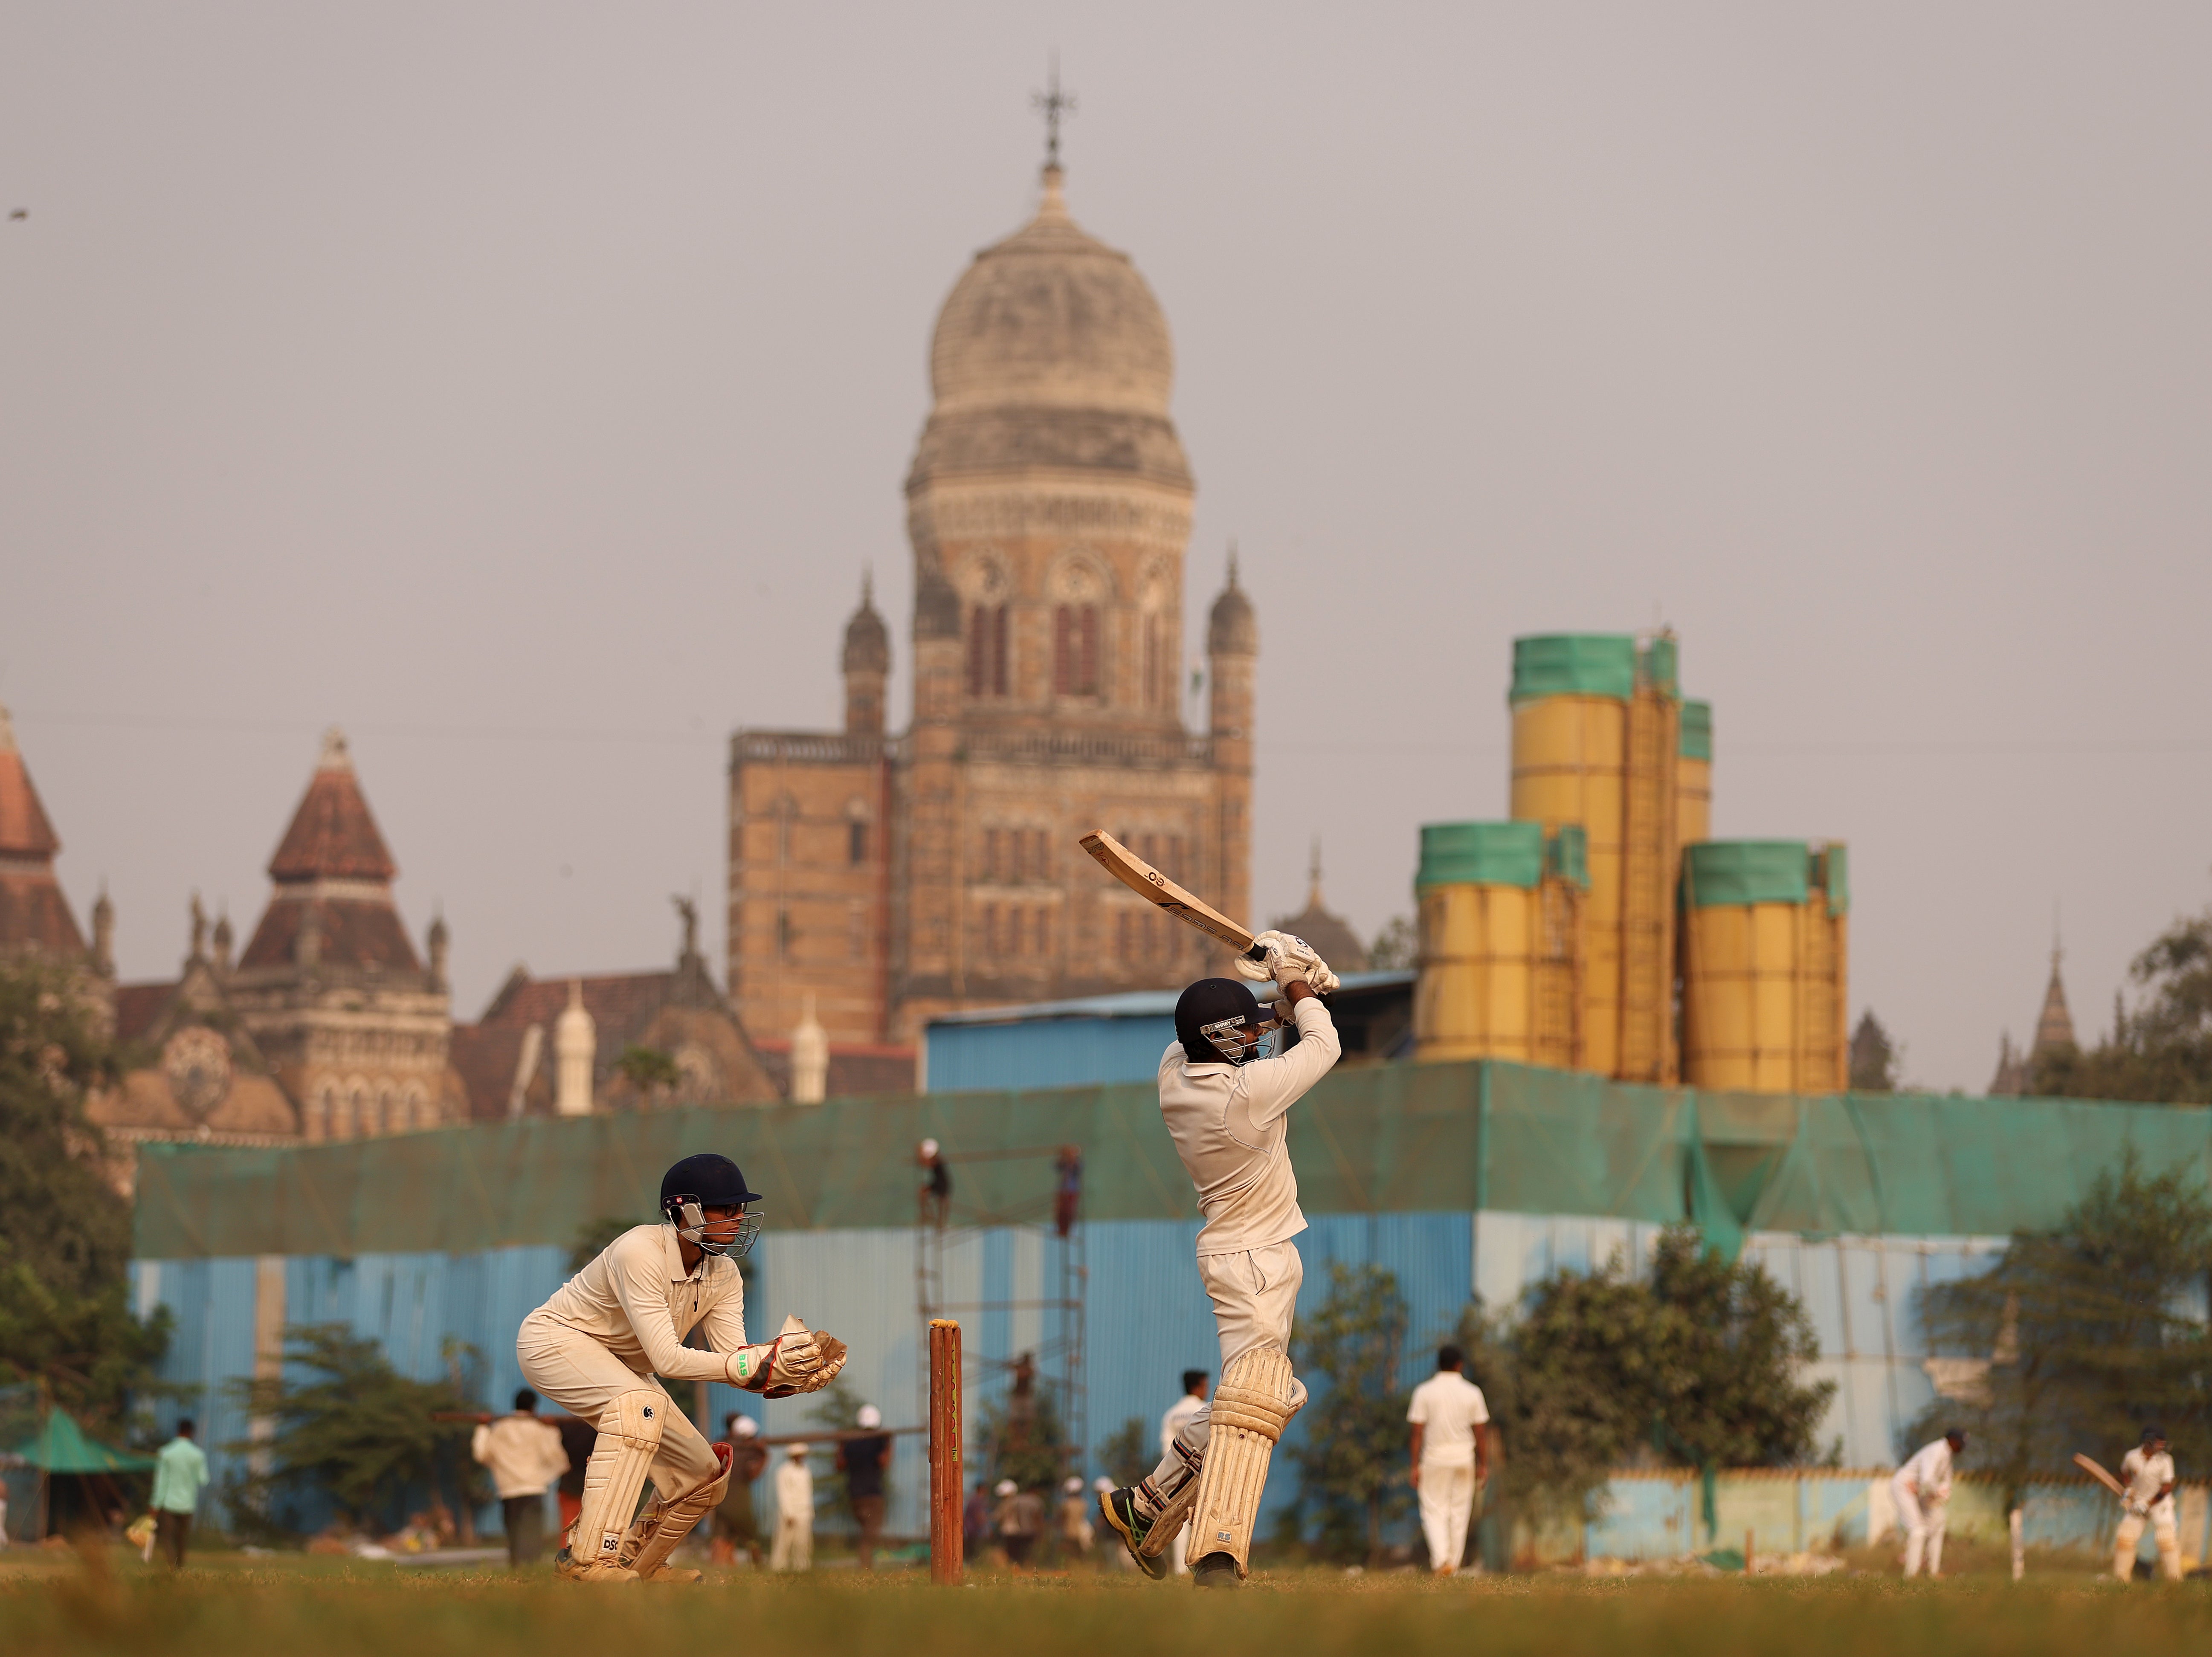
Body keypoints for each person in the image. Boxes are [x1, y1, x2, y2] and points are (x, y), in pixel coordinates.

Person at [1099, 935, 1342, 1588]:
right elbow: (1325, 1048)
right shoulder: (1246, 1095)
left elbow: (1227, 1034)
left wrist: (1280, 998)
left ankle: (1146, 1506)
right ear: (1226, 1038)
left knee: (1257, 1401)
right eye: (1250, 1031)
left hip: (1241, 1252)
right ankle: (1214, 1555)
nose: (1260, 1038)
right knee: (1259, 1404)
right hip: (1254, 1261)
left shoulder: (1174, 1073)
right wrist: (1295, 984)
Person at [516, 1152, 848, 1582]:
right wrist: (753, 1363)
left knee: (702, 1472)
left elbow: (731, 1359)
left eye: (740, 1208)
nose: (737, 1217)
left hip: (622, 1364)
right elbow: (668, 1359)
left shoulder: (725, 1273)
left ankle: (638, 1566)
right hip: (555, 1341)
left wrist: (783, 1373)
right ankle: (587, 1560)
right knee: (638, 1409)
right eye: (726, 1208)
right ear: (685, 1210)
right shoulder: (639, 1251)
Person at [1407, 1345, 1490, 1574]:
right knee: (1460, 1511)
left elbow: (1417, 1432)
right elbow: (1480, 1432)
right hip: (1464, 1458)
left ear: (1439, 1364)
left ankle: (1442, 1560)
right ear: (1460, 1365)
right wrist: (1484, 1464)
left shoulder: (1425, 1392)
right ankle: (1452, 1564)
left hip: (1434, 1459)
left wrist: (1414, 1466)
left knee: (1434, 1510)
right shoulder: (1473, 1392)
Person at [472, 1388, 569, 1566]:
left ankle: (517, 1569)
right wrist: (553, 1431)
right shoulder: (538, 1429)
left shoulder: (500, 1428)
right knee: (532, 1536)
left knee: (515, 1536)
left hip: (508, 1490)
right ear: (533, 1407)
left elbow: (481, 1454)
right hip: (533, 1489)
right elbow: (555, 1455)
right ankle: (530, 1572)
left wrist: (482, 1428)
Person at [1891, 1428, 1964, 1578]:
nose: (1962, 1448)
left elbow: (1946, 1482)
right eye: (1960, 1443)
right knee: (1918, 1531)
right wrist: (1936, 1492)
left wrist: (1941, 1494)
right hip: (1905, 1487)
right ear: (1952, 1440)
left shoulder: (1948, 1455)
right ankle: (1911, 1575)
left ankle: (1932, 1571)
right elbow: (1926, 1480)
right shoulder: (1937, 1450)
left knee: (1938, 1523)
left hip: (1921, 1491)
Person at [2113, 1425, 2181, 1582]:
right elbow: (2125, 1474)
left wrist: (2148, 1505)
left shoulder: (2165, 1460)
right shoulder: (2131, 1457)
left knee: (2166, 1540)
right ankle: (2121, 1579)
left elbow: (2167, 1487)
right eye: (2158, 1443)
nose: (2161, 1447)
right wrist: (2129, 1491)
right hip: (2137, 1503)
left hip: (2160, 1504)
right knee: (2125, 1538)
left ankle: (2175, 1580)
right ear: (2147, 1441)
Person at [1159, 1370, 1209, 1574]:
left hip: (1179, 1475)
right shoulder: (1205, 1410)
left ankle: (1181, 1568)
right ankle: (1203, 1565)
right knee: (1204, 1519)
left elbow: (1166, 1448)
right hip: (1204, 1473)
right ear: (1198, 1387)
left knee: (1179, 1519)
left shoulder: (1172, 1414)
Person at [150, 1418, 211, 1568]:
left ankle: (171, 1565)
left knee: (168, 1538)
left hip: (169, 1503)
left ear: (178, 1431)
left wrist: (155, 1504)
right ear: (192, 1433)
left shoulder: (166, 1453)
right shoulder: (198, 1454)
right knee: (182, 1539)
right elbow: (204, 1480)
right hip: (188, 1504)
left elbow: (161, 1482)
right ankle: (179, 1566)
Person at [710, 1415, 769, 1567]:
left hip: (721, 1498)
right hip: (740, 1499)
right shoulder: (749, 1451)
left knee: (721, 1536)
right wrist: (764, 1455)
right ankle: (759, 1567)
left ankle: (716, 1569)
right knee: (751, 1536)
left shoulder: (721, 1446)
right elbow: (752, 1474)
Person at [839, 1405, 892, 1569]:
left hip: (855, 1496)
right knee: (871, 1533)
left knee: (866, 1531)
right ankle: (865, 1566)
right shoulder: (879, 1441)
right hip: (872, 1495)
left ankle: (866, 1563)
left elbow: (840, 1465)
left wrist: (840, 1445)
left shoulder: (852, 1441)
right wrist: (890, 1444)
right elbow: (884, 1463)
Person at [770, 1443, 814, 1571]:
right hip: (790, 1512)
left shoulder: (806, 1470)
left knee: (803, 1543)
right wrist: (788, 1513)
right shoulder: (784, 1471)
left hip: (804, 1512)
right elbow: (783, 1493)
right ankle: (779, 1567)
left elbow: (808, 1493)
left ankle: (802, 1567)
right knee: (784, 1542)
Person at [994, 1477, 1044, 1568]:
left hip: (1008, 1531)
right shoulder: (1019, 1501)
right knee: (1021, 1553)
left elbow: (999, 1517)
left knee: (1011, 1554)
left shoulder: (1008, 1503)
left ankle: (1015, 1568)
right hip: (1018, 1530)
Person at [1056, 1475, 1095, 1562]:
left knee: (1069, 1554)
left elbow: (1061, 1518)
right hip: (1081, 1532)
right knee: (1080, 1555)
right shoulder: (1084, 1503)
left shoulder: (1066, 1504)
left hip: (1068, 1532)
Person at [919, 1139, 952, 1228]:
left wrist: (922, 1156)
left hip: (942, 1184)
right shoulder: (937, 1160)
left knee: (941, 1203)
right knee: (923, 1193)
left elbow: (928, 1164)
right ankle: (932, 1216)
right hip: (939, 1183)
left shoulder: (937, 1161)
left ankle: (940, 1222)